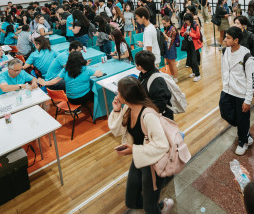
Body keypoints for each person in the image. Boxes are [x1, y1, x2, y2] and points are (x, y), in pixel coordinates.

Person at [107, 77, 173, 214]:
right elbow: (117, 130)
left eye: (118, 92)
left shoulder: (148, 116)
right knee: (131, 200)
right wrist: (117, 110)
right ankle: (157, 205)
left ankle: (160, 207)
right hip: (141, 158)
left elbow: (162, 146)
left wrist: (134, 150)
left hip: (153, 163)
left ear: (126, 96)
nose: (116, 94)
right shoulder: (128, 109)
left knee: (149, 208)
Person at [219, 26, 254, 156]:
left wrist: (247, 100)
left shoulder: (246, 56)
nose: (225, 40)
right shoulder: (225, 51)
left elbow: (251, 80)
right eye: (225, 37)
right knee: (225, 113)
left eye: (228, 38)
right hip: (227, 91)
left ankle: (243, 141)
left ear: (236, 40)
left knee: (242, 119)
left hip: (241, 93)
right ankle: (245, 131)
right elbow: (224, 69)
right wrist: (225, 83)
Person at [38, 51, 103, 105]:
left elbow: (55, 81)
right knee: (95, 90)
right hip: (83, 97)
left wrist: (44, 82)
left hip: (71, 99)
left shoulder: (66, 69)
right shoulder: (86, 68)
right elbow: (100, 74)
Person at [135, 50, 173, 119]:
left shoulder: (157, 81)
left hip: (159, 117)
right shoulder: (143, 74)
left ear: (140, 67)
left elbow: (160, 105)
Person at [180, 13, 202, 82]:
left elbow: (198, 36)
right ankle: (194, 72)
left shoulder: (195, 25)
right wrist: (184, 34)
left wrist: (189, 33)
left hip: (194, 44)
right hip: (188, 44)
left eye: (187, 20)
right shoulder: (184, 25)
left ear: (190, 20)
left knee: (194, 60)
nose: (186, 22)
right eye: (185, 20)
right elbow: (181, 32)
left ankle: (198, 75)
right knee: (189, 59)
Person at [162, 15, 178, 83]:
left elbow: (170, 40)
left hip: (171, 47)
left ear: (169, 21)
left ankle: (175, 77)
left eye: (165, 23)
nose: (164, 25)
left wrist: (164, 35)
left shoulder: (173, 29)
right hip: (166, 46)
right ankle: (172, 75)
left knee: (172, 63)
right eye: (163, 24)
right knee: (168, 62)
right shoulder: (167, 28)